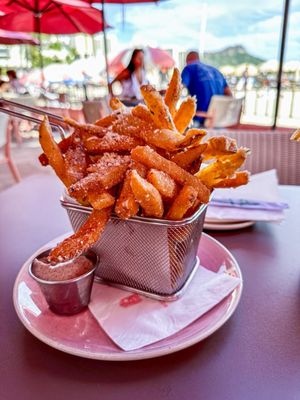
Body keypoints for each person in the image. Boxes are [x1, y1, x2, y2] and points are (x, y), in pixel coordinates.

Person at [181, 51, 232, 125]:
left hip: (199, 119)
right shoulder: (216, 71)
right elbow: (229, 95)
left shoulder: (189, 68)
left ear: (187, 60)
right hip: (218, 121)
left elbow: (177, 89)